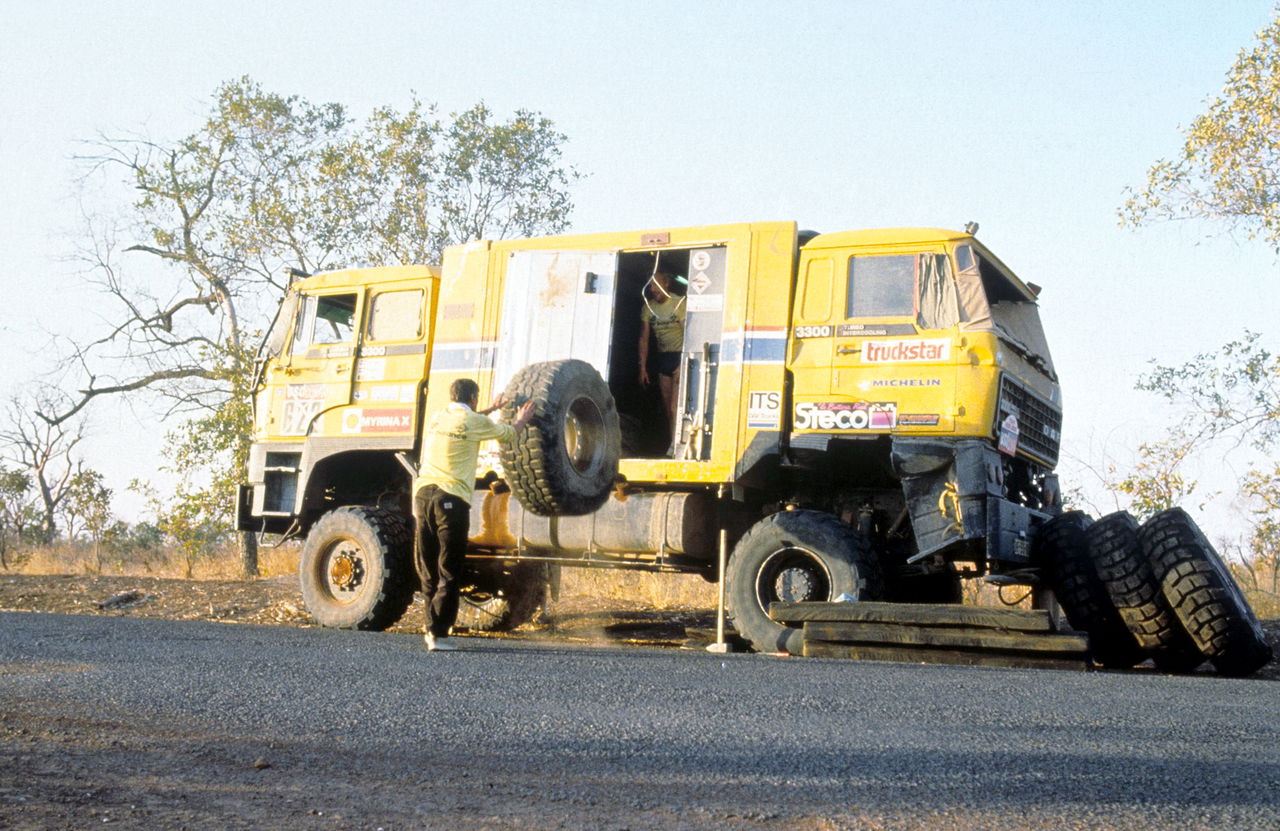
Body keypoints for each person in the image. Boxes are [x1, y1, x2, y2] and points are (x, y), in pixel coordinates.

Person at [414, 378, 533, 651]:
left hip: (422, 496)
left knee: (429, 568)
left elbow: (468, 420)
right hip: (451, 499)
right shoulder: (473, 422)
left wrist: (490, 409)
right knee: (449, 569)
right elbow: (509, 433)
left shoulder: (439, 417)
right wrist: (523, 418)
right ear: (473, 398)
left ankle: (429, 627)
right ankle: (439, 636)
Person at [637, 269, 686, 440]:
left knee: (675, 407)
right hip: (663, 358)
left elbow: (689, 333)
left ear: (666, 284)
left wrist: (684, 363)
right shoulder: (648, 307)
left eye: (656, 285)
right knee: (668, 409)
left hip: (679, 356)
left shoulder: (678, 303)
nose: (653, 289)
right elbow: (644, 338)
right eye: (650, 286)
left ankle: (676, 445)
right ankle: (674, 441)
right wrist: (642, 368)